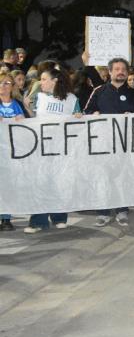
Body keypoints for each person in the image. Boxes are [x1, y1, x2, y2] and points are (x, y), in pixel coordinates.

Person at [84, 58, 134, 227]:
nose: (120, 71)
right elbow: (86, 111)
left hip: (125, 143)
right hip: (102, 144)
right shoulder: (99, 90)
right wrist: (93, 113)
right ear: (110, 72)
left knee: (122, 177)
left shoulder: (132, 92)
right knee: (103, 177)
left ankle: (122, 210)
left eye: (123, 69)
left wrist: (131, 114)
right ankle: (103, 212)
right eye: (116, 69)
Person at [25, 68, 83, 233]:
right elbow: (33, 119)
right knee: (40, 182)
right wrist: (27, 109)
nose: (41, 82)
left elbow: (79, 120)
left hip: (62, 148)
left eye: (44, 79)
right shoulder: (39, 97)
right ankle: (38, 221)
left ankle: (59, 217)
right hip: (41, 147)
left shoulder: (71, 99)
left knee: (59, 182)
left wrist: (79, 117)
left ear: (55, 80)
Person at [0, 72, 29, 231]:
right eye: (1, 83)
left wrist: (23, 116)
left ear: (12, 87)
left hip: (11, 152)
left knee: (7, 185)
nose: (3, 86)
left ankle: (5, 219)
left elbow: (27, 126)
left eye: (6, 83)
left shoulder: (17, 104)